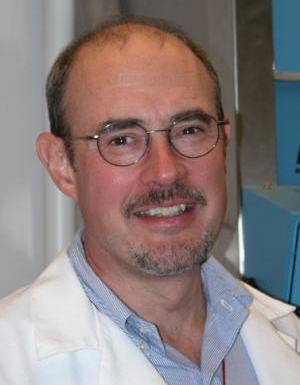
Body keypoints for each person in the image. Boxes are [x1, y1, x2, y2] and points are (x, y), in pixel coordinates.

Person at [0, 15, 299, 385]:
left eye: (189, 130)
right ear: (62, 165)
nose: (166, 171)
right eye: (122, 139)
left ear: (223, 142)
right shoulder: (11, 361)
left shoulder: (288, 338)